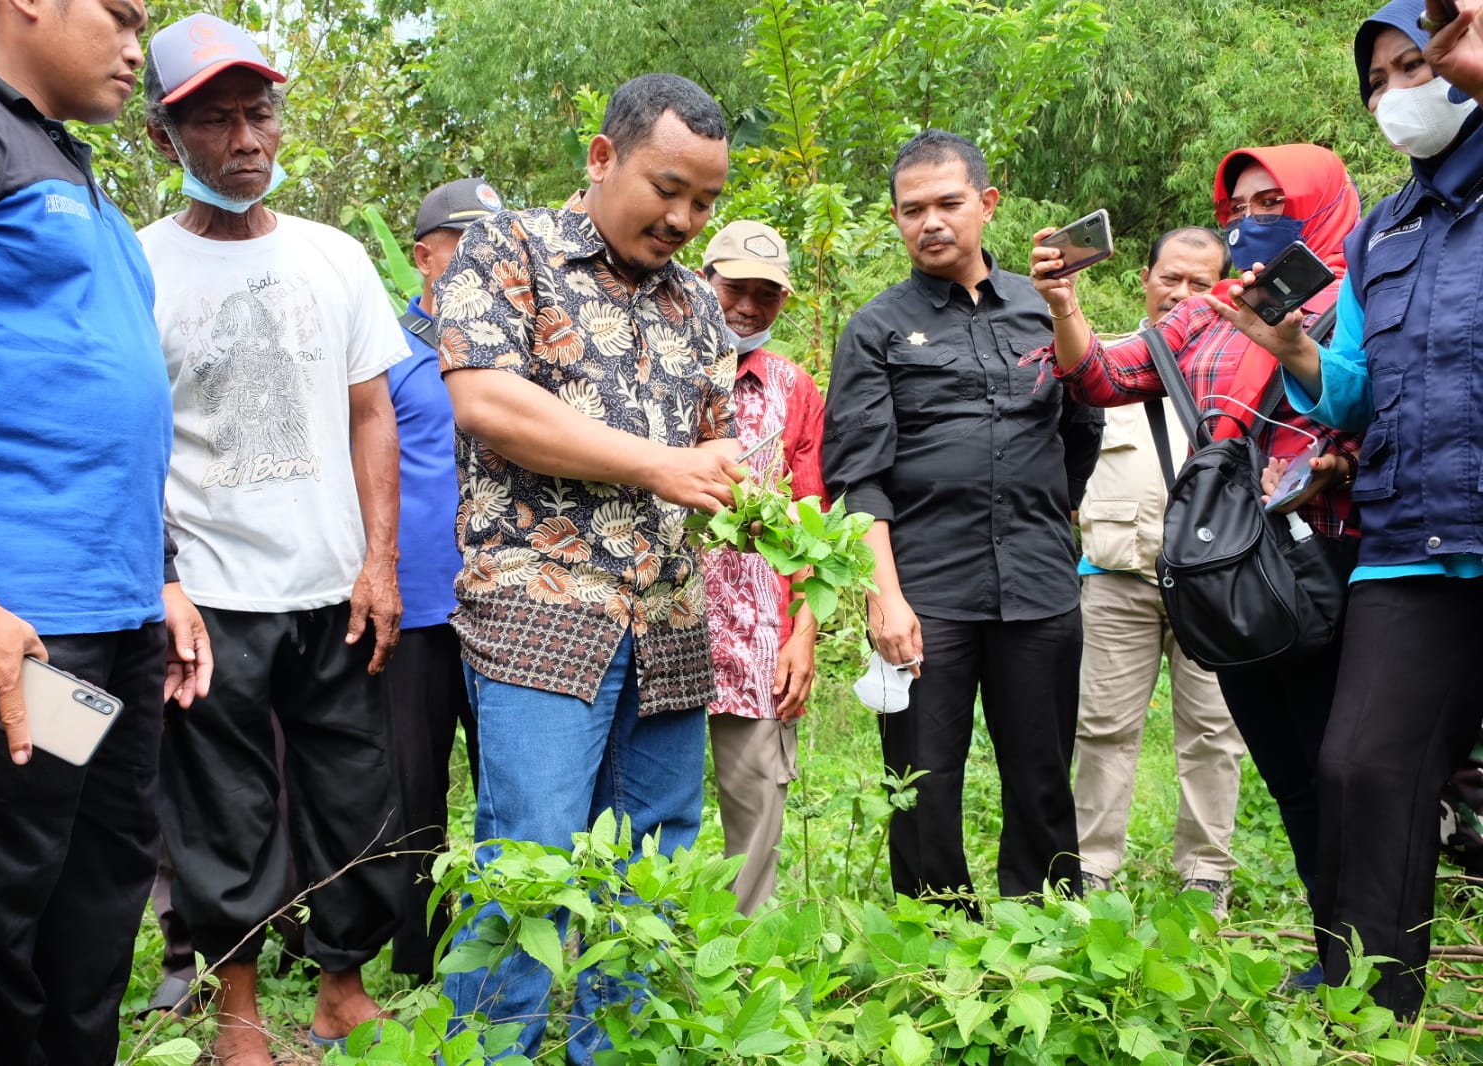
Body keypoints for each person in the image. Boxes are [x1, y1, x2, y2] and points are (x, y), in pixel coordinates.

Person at [0, 0, 211, 1062]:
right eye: (121, 15)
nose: (135, 47)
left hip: (103, 630)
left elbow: (101, 403)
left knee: (87, 907)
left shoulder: (69, 165)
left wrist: (157, 574)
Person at [436, 72, 741, 1062]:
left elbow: (712, 448)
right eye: (668, 188)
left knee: (648, 870)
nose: (686, 218)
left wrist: (743, 490)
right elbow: (488, 403)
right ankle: (492, 1051)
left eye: (705, 199)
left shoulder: (699, 303)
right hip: (541, 619)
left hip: (667, 626)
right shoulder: (508, 249)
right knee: (526, 866)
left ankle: (621, 1049)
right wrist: (661, 463)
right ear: (601, 158)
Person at [1201, 0, 1483, 1016]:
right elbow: (1353, 389)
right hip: (1412, 541)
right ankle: (1374, 1010)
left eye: (1415, 64)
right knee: (1361, 762)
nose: (1393, 94)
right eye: (1377, 80)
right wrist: (1296, 353)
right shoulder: (1381, 233)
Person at [139, 14, 408, 1062]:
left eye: (258, 113)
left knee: (353, 796)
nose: (246, 139)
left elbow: (370, 413)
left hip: (331, 584)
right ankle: (240, 1019)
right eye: (214, 120)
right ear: (166, 140)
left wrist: (379, 559)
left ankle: (341, 993)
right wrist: (163, 581)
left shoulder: (334, 258)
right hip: (211, 590)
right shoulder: (138, 266)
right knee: (223, 812)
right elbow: (127, 436)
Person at [1031, 144, 1362, 951]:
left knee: (1341, 767)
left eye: (1274, 204)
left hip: (1324, 562)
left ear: (1320, 203)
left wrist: (1338, 458)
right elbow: (1105, 377)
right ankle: (1334, 949)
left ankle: (1369, 944)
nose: (1254, 222)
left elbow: (1390, 403)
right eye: (1242, 208)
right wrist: (1065, 304)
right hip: (1232, 567)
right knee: (1285, 768)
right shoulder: (1209, 311)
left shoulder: (1366, 296)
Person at [822, 130, 1103, 911]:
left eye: (948, 203)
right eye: (912, 210)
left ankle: (1044, 929)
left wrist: (1045, 509)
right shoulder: (877, 328)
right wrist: (886, 596)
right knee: (921, 782)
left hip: (1041, 585)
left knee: (1043, 775)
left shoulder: (1041, 307)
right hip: (928, 592)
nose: (931, 222)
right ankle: (936, 940)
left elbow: (1084, 426)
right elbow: (857, 476)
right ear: (896, 220)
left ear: (986, 204)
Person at [1072, 227, 1246, 915]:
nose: (1181, 293)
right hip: (1116, 575)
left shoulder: (1242, 364)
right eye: (1170, 278)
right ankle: (1091, 866)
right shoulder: (1105, 363)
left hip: (1215, 585)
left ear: (1223, 288)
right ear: (1146, 276)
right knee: (1104, 727)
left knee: (1214, 730)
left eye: (1201, 284)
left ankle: (1207, 872)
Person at [698, 220, 827, 915]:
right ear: (703, 280)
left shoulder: (792, 387)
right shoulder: (661, 365)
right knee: (645, 805)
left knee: (755, 809)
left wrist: (803, 630)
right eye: (734, 289)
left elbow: (813, 516)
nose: (747, 307)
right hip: (663, 625)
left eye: (766, 295)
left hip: (756, 641)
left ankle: (742, 959)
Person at [383, 176, 492, 979]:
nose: (483, 260)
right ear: (425, 257)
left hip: (506, 603)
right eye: (465, 244)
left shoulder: (518, 349)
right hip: (415, 606)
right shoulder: (385, 352)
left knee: (510, 783)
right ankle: (422, 952)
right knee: (412, 789)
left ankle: (503, 940)